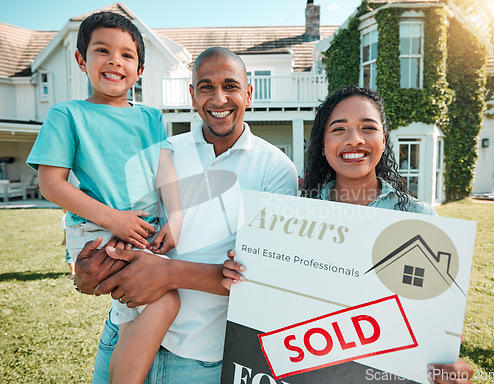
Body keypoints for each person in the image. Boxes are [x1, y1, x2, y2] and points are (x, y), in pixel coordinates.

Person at [72, 46, 298, 383]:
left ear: (249, 93)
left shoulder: (276, 169)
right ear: (192, 95)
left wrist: (168, 274)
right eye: (206, 87)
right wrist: (88, 273)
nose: (219, 98)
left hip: (199, 360)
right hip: (124, 335)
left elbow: (266, 277)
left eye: (231, 86)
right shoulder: (164, 152)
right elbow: (120, 227)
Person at [222, 86, 475, 384]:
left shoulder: (420, 221)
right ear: (322, 144)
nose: (354, 139)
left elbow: (437, 333)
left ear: (383, 139)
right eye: (338, 129)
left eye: (368, 127)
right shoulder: (290, 221)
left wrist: (451, 369)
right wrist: (246, 278)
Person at [26, 12, 182, 384]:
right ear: (82, 60)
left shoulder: (150, 118)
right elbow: (52, 184)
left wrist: (175, 217)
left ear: (140, 69)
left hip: (143, 228)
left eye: (127, 55)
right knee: (166, 299)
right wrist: (116, 220)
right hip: (97, 229)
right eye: (102, 50)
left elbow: (165, 172)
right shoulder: (68, 114)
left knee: (132, 318)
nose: (115, 60)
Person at [61, 209, 76, 278]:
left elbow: (66, 231)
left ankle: (73, 272)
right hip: (78, 239)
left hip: (70, 241)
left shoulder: (65, 218)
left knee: (70, 258)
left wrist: (64, 240)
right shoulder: (76, 216)